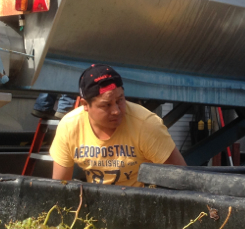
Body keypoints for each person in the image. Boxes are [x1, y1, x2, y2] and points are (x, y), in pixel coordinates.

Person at [50, 64, 186, 186]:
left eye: (120, 100)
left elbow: (181, 178)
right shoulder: (70, 127)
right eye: (106, 105)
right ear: (85, 105)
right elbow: (60, 187)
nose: (116, 111)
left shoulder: (145, 125)